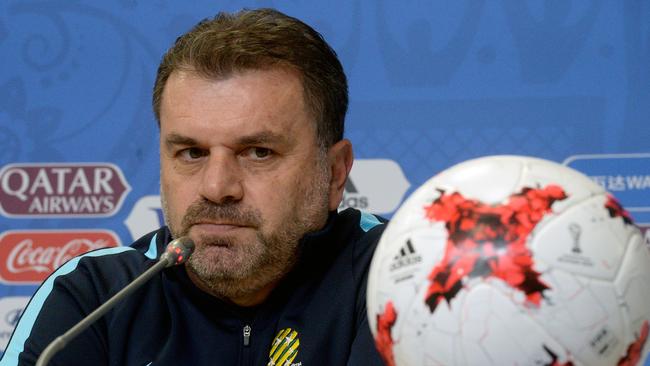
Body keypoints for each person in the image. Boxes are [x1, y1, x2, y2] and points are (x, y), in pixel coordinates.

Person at [0, 8, 387, 366]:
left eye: (258, 152)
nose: (217, 188)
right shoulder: (94, 298)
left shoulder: (394, 276)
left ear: (335, 172)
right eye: (192, 153)